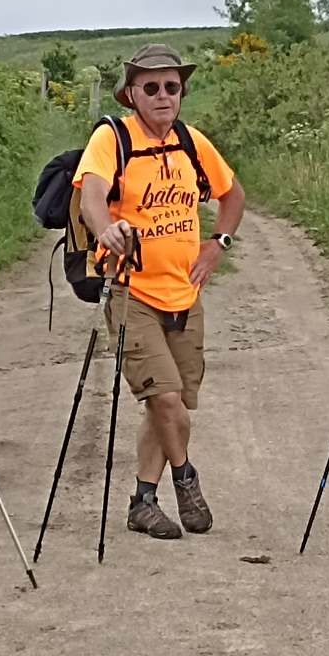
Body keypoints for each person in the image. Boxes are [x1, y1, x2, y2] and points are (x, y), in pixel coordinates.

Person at [73, 43, 246, 540]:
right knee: (166, 400)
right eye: (151, 87)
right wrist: (106, 228)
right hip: (132, 290)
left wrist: (219, 244)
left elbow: (232, 194)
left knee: (170, 406)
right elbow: (91, 195)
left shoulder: (191, 142)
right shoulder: (113, 138)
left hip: (185, 295)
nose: (164, 95)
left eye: (172, 86)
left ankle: (143, 503)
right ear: (131, 94)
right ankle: (185, 479)